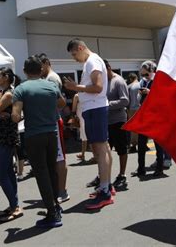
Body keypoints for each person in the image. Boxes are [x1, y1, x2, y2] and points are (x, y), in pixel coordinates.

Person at [12, 56, 66, 228]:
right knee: (52, 170)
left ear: (25, 71)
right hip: (52, 132)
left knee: (41, 172)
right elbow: (62, 103)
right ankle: (56, 205)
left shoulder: (21, 89)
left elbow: (15, 116)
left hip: (34, 135)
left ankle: (52, 213)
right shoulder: (50, 85)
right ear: (41, 69)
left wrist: (25, 113)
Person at [64, 38, 114, 210]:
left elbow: (98, 87)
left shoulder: (92, 61)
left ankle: (105, 191)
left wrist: (75, 87)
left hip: (95, 108)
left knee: (99, 149)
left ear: (80, 48)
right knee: (103, 148)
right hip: (95, 108)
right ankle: (106, 186)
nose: (74, 58)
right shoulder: (92, 61)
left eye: (74, 54)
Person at [0, 68, 23, 222]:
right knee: (8, 172)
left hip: (6, 137)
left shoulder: (8, 94)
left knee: (1, 173)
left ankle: (15, 206)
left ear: (6, 77)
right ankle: (13, 204)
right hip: (2, 135)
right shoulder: (2, 93)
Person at [36, 53, 69, 204]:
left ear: (47, 63)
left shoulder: (52, 78)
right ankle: (58, 190)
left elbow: (58, 102)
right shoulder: (46, 78)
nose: (39, 69)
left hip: (54, 121)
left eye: (40, 66)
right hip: (50, 121)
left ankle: (62, 191)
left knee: (59, 157)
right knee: (55, 158)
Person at [131, 60, 166, 177]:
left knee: (158, 144)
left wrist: (150, 92)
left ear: (153, 71)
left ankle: (159, 168)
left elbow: (163, 98)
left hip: (156, 116)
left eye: (147, 74)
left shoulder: (158, 81)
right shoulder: (144, 82)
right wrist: (140, 94)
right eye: (142, 74)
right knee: (141, 144)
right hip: (145, 115)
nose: (144, 76)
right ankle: (141, 168)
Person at [104, 60, 130, 188]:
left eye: (103, 70)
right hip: (107, 122)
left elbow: (125, 101)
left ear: (108, 68)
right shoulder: (104, 82)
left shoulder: (118, 81)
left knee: (121, 149)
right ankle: (103, 176)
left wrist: (108, 104)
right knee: (105, 151)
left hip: (118, 121)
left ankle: (122, 175)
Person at [127, 73, 140, 153]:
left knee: (133, 129)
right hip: (141, 108)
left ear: (131, 79)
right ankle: (143, 144)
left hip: (132, 109)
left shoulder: (129, 86)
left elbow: (127, 100)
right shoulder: (141, 84)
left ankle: (133, 145)